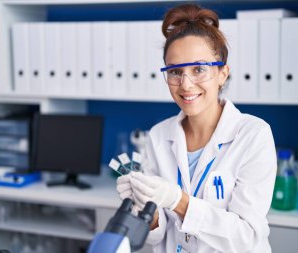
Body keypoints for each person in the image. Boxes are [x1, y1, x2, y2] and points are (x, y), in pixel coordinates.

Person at [117, 3, 277, 253]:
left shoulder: (253, 135)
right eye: (175, 72)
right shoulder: (159, 136)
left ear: (223, 73)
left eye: (199, 69)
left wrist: (179, 202)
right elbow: (157, 236)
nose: (186, 84)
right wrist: (146, 210)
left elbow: (246, 237)